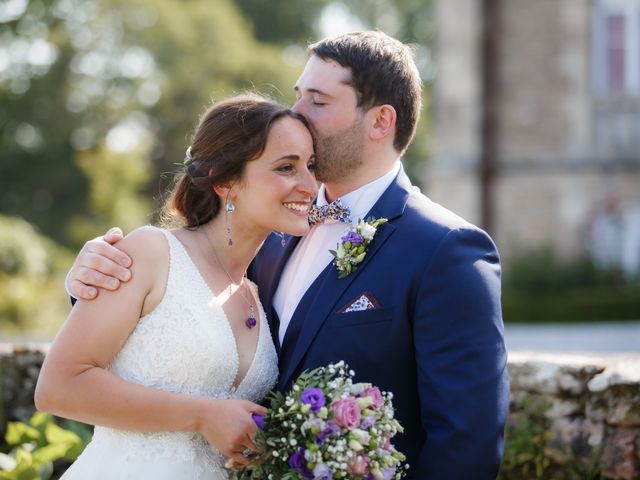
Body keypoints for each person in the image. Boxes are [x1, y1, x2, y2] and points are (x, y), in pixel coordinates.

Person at [67, 31, 510, 479]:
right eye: (299, 96)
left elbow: (465, 445)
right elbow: (178, 314)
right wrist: (96, 276)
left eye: (318, 101)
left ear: (380, 122)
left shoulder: (446, 249)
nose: (296, 113)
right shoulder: (273, 227)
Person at [35, 94, 318, 479]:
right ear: (225, 182)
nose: (309, 184)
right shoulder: (151, 252)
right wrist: (203, 416)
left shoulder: (255, 293)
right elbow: (58, 387)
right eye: (287, 167)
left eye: (311, 166)